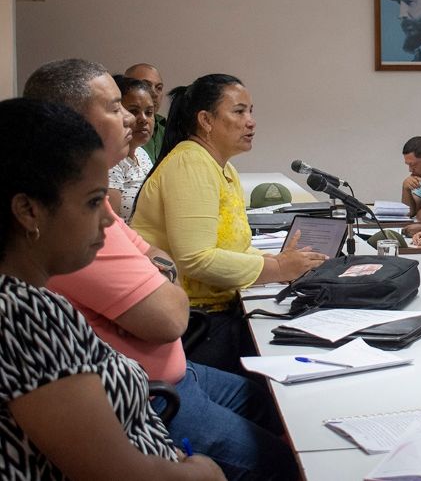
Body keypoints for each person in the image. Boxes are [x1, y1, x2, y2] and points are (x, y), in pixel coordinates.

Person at [25, 61, 299, 479]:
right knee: (284, 461)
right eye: (118, 107)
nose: (135, 119)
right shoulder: (61, 222)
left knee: (278, 403)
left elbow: (163, 261)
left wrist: (157, 272)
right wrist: (278, 267)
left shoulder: (91, 205)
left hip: (167, 373)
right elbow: (173, 306)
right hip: (154, 388)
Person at [0, 97, 224, 480]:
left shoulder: (32, 299)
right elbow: (120, 473)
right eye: (92, 203)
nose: (108, 219)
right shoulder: (22, 313)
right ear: (28, 211)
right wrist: (202, 473)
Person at [133, 74, 328, 374]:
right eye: (239, 111)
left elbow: (235, 247)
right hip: (195, 324)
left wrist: (279, 261)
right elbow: (196, 259)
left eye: (251, 111)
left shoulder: (223, 168)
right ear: (206, 120)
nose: (250, 121)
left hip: (216, 314)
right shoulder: (191, 163)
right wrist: (276, 269)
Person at [108, 75, 156, 219]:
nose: (143, 119)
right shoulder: (111, 161)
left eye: (149, 113)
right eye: (134, 111)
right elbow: (113, 225)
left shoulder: (142, 154)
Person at [125, 63, 167, 162]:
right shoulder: (119, 130)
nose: (154, 93)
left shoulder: (167, 128)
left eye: (159, 88)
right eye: (145, 86)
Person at [400, 136, 421, 217]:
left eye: (413, 165)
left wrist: (418, 213)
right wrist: (406, 189)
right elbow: (409, 212)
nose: (410, 170)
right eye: (408, 165)